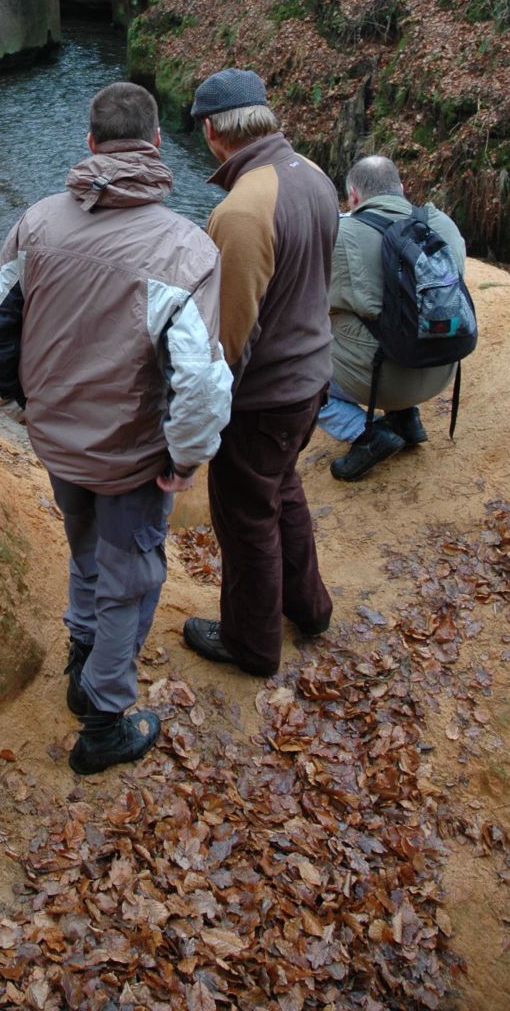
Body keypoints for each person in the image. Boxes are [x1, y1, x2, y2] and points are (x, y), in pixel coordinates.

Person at [0, 82, 232, 776]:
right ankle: (104, 724)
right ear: (157, 145)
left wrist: (25, 410)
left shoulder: (36, 224)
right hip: (131, 458)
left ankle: (82, 659)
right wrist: (185, 458)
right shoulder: (185, 249)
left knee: (85, 550)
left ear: (89, 143)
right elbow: (200, 382)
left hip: (58, 443)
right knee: (131, 578)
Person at [182, 68, 338, 679]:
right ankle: (309, 608)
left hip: (264, 399)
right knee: (282, 490)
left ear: (211, 130)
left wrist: (206, 411)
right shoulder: (315, 174)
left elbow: (230, 335)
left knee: (246, 517)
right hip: (310, 377)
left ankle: (251, 643)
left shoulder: (242, 210)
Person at [320, 154, 468, 481]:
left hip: (383, 381)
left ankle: (365, 433)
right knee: (404, 314)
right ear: (401, 188)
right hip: (442, 368)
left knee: (297, 366)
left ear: (353, 196)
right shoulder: (443, 223)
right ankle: (405, 418)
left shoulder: (341, 235)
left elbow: (315, 302)